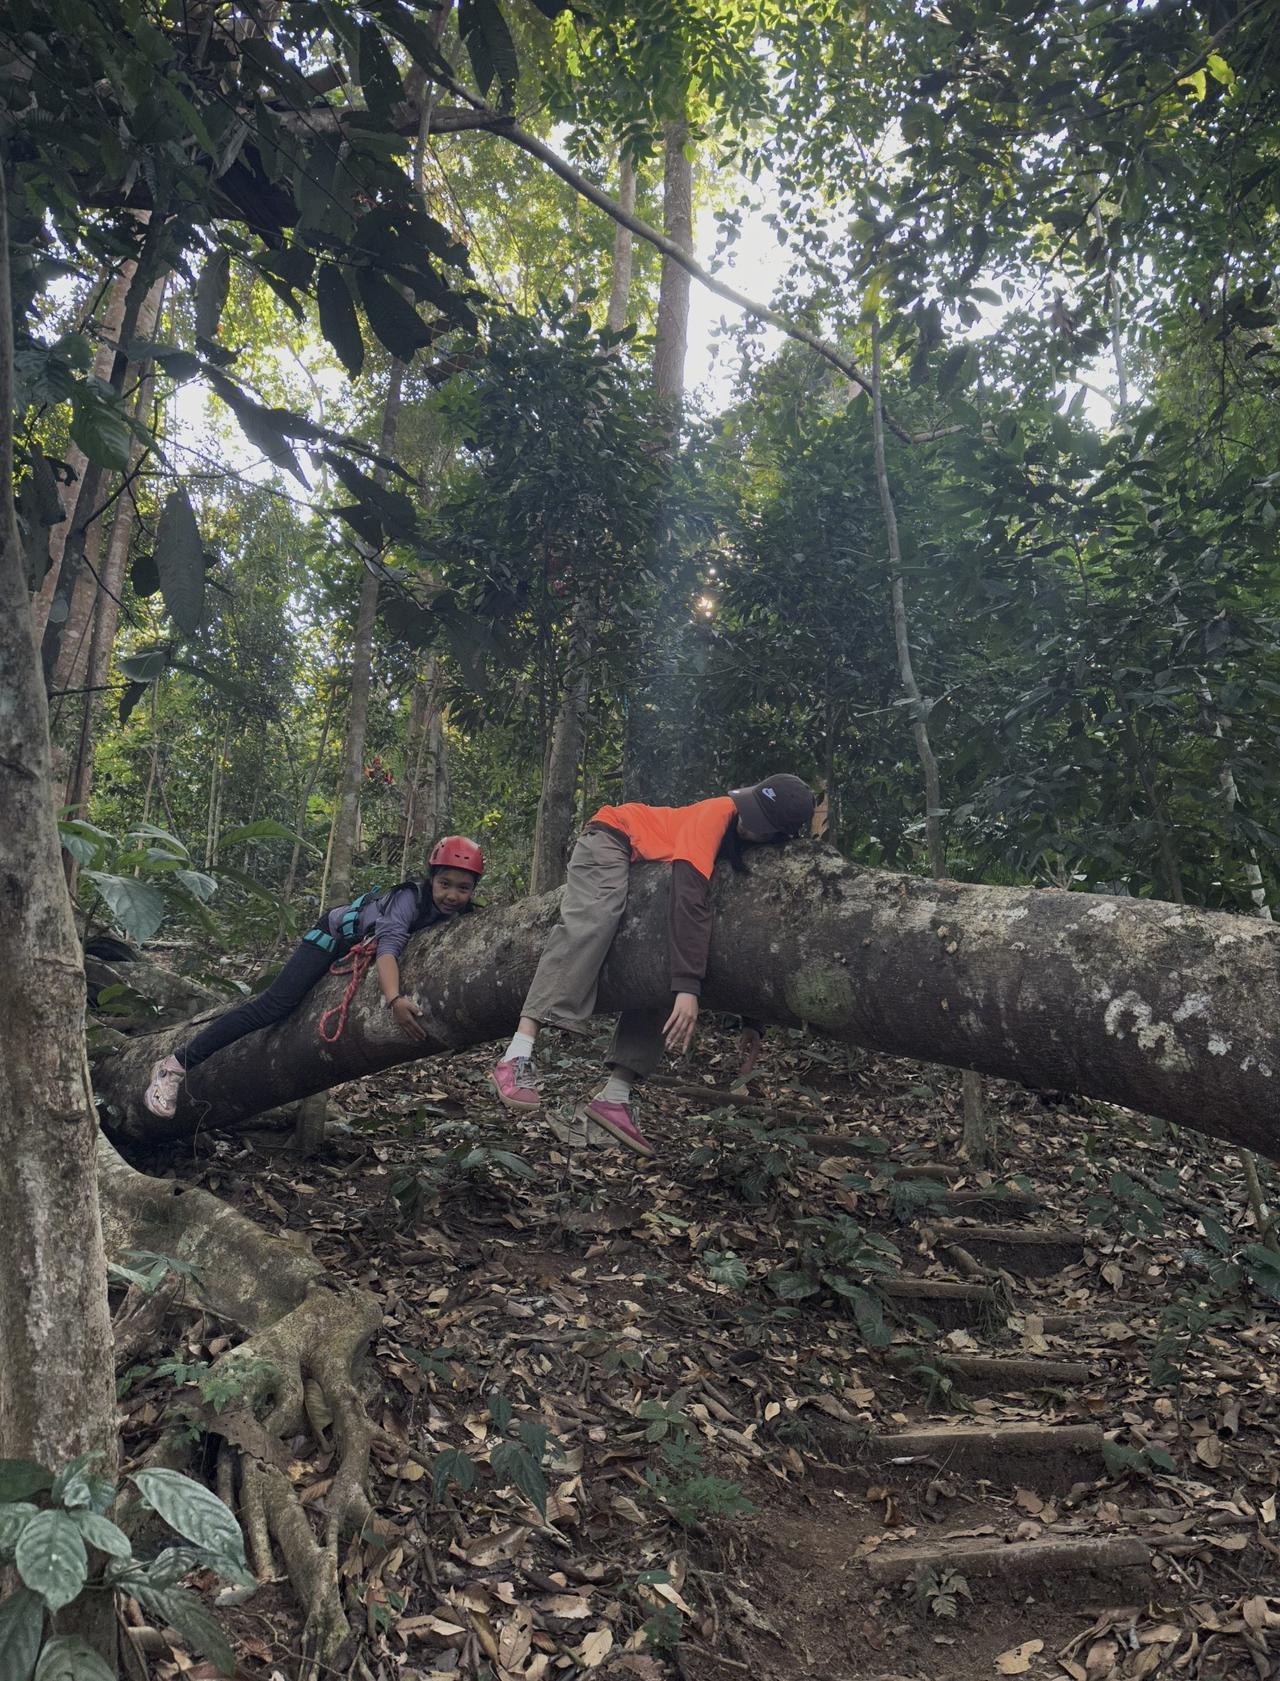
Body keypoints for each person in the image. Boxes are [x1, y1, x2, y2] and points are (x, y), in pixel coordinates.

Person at [491, 776, 815, 1157]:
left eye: (758, 824)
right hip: (614, 836)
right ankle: (518, 1053)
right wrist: (688, 988)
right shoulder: (716, 814)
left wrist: (752, 1022)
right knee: (596, 917)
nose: (746, 823)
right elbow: (689, 900)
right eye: (748, 812)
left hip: (648, 871)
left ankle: (615, 1095)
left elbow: (737, 937)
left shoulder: (758, 857)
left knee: (663, 966)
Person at [143, 836, 485, 1118]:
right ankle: (174, 1065)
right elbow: (388, 947)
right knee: (275, 1006)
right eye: (444, 884)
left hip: (356, 949)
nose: (452, 895)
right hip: (331, 939)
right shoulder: (408, 898)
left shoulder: (463, 914)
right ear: (430, 879)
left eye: (463, 888)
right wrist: (394, 999)